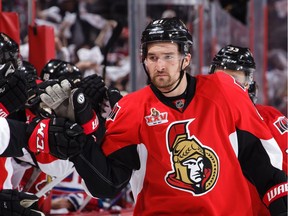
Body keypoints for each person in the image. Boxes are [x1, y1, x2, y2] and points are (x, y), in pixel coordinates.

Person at [28, 17, 287, 215]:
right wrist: (78, 138)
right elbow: (107, 184)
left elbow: (265, 166)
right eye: (152, 57)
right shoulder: (131, 109)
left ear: (186, 59)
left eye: (168, 56)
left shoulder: (225, 92)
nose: (160, 65)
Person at [208, 44, 288, 215]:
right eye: (221, 78)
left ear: (247, 84)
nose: (226, 86)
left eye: (234, 79)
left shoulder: (269, 119)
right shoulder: (197, 118)